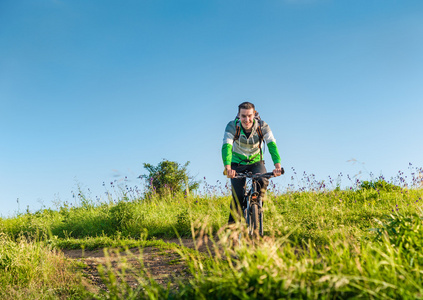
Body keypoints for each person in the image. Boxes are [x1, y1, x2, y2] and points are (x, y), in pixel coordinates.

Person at [222, 102, 283, 224]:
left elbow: (272, 145)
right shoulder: (232, 126)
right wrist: (228, 168)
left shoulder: (263, 126)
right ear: (239, 116)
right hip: (237, 163)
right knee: (238, 194)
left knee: (262, 181)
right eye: (243, 116)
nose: (247, 120)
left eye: (249, 115)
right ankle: (232, 227)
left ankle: (257, 209)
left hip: (256, 162)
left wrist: (278, 166)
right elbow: (226, 147)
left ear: (254, 114)